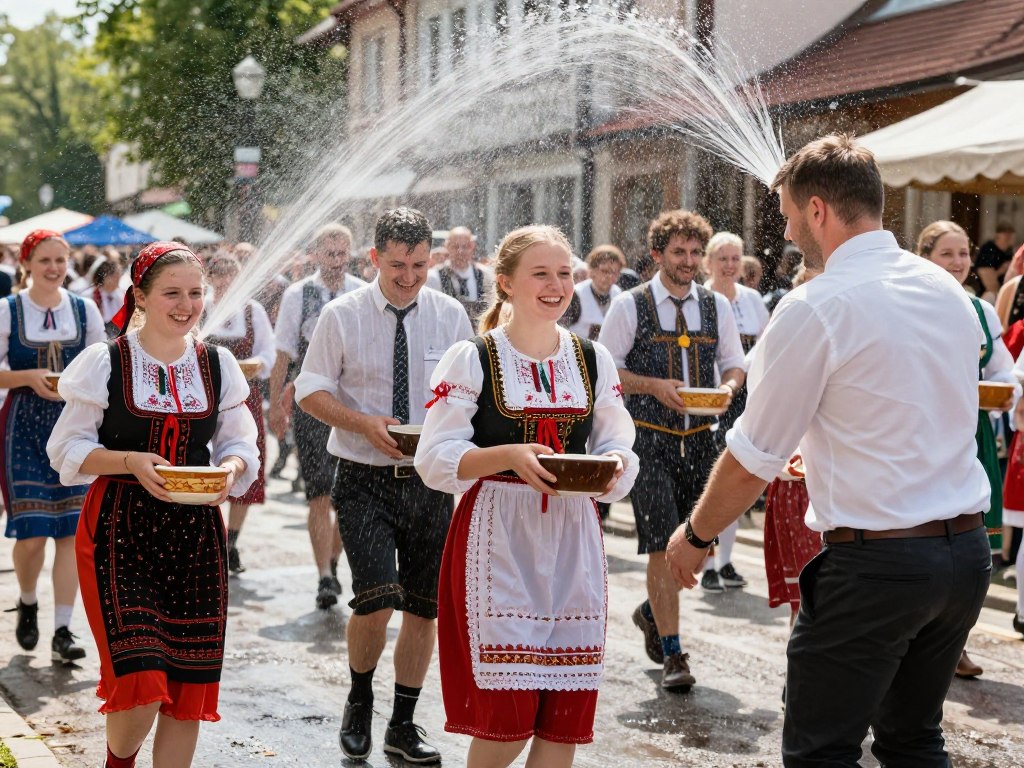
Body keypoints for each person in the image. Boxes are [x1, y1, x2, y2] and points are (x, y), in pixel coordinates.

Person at [665, 134, 992, 767]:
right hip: (964, 555)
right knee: (914, 741)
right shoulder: (943, 287)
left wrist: (697, 535)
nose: (787, 232)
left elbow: (755, 456)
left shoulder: (814, 306)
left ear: (818, 210)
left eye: (788, 215)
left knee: (821, 752)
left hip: (877, 564)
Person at [416, 224, 638, 768]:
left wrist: (612, 468)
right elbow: (434, 457)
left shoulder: (592, 358)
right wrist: (508, 455)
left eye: (563, 273)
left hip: (573, 539)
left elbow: (618, 443)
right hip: (498, 539)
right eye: (540, 273)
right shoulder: (474, 357)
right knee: (507, 725)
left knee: (562, 725)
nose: (556, 285)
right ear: (507, 283)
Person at [46, 241, 258, 768]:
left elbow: (239, 443)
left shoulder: (217, 364)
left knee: (187, 689)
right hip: (120, 529)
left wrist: (231, 470)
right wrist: (130, 461)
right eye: (172, 293)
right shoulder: (107, 361)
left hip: (196, 536)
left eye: (195, 293)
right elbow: (66, 450)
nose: (187, 305)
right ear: (139, 295)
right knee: (140, 679)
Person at [296, 208, 473, 763]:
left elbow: (471, 396)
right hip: (362, 477)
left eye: (419, 265)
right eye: (397, 265)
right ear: (373, 258)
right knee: (375, 598)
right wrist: (362, 423)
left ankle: (402, 722)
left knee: (423, 608)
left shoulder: (450, 316)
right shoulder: (341, 314)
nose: (409, 277)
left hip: (430, 480)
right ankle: (358, 699)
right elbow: (310, 391)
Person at [598, 210, 745, 691]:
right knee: (662, 546)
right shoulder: (630, 305)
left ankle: (651, 610)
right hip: (650, 440)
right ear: (657, 254)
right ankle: (673, 653)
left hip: (701, 440)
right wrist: (654, 385)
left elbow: (734, 364)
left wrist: (727, 389)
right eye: (678, 252)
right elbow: (608, 372)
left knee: (697, 544)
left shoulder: (716, 306)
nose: (688, 260)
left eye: (695, 252)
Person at [915, 219, 1017, 679]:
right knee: (922, 538)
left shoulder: (981, 311)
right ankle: (916, 637)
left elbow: (1003, 370)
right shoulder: (910, 306)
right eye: (947, 253)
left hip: (971, 435)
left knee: (968, 545)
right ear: (925, 258)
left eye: (963, 253)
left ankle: (954, 642)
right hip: (922, 434)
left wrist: (1005, 390)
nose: (958, 262)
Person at [1, 229, 105, 663]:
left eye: (60, 260)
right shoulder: (8, 309)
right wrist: (28, 377)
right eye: (44, 260)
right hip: (23, 426)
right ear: (26, 263)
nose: (54, 268)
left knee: (69, 533)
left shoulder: (84, 310)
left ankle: (63, 629)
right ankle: (28, 601)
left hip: (74, 426)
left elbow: (103, 366)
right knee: (32, 534)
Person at [268, 223, 365, 610]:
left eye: (342, 254)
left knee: (347, 494)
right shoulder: (298, 294)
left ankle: (334, 560)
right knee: (320, 491)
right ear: (316, 254)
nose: (336, 261)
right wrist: (275, 404)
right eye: (330, 253)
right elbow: (283, 353)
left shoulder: (361, 292)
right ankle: (324, 575)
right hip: (310, 403)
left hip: (352, 404)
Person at [701, 231, 769, 591]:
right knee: (711, 479)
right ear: (708, 263)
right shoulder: (700, 299)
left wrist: (745, 373)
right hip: (710, 397)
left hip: (746, 397)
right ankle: (707, 562)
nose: (729, 265)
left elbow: (767, 342)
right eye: (722, 258)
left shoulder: (753, 300)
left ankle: (726, 561)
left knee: (737, 478)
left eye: (735, 259)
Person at [201, 254, 276, 574]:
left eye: (230, 275)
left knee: (245, 460)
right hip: (205, 396)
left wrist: (256, 365)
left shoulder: (252, 310)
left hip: (245, 397)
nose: (225, 281)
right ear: (211, 278)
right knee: (205, 463)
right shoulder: (201, 307)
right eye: (219, 275)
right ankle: (211, 536)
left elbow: (268, 353)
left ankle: (231, 541)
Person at [426, 226, 492, 327]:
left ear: (472, 247)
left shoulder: (485, 275)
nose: (460, 251)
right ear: (447, 247)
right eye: (455, 246)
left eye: (465, 246)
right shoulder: (433, 277)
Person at [560, 244, 626, 341]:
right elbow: (561, 330)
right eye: (605, 271)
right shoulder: (576, 295)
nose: (609, 276)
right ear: (592, 270)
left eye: (614, 272)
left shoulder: (619, 295)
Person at [975, 221, 1016, 300]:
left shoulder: (1009, 252)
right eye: (1005, 233)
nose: (1008, 236)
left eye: (1010, 233)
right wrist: (1002, 270)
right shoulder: (988, 250)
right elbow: (989, 283)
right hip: (986, 295)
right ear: (997, 235)